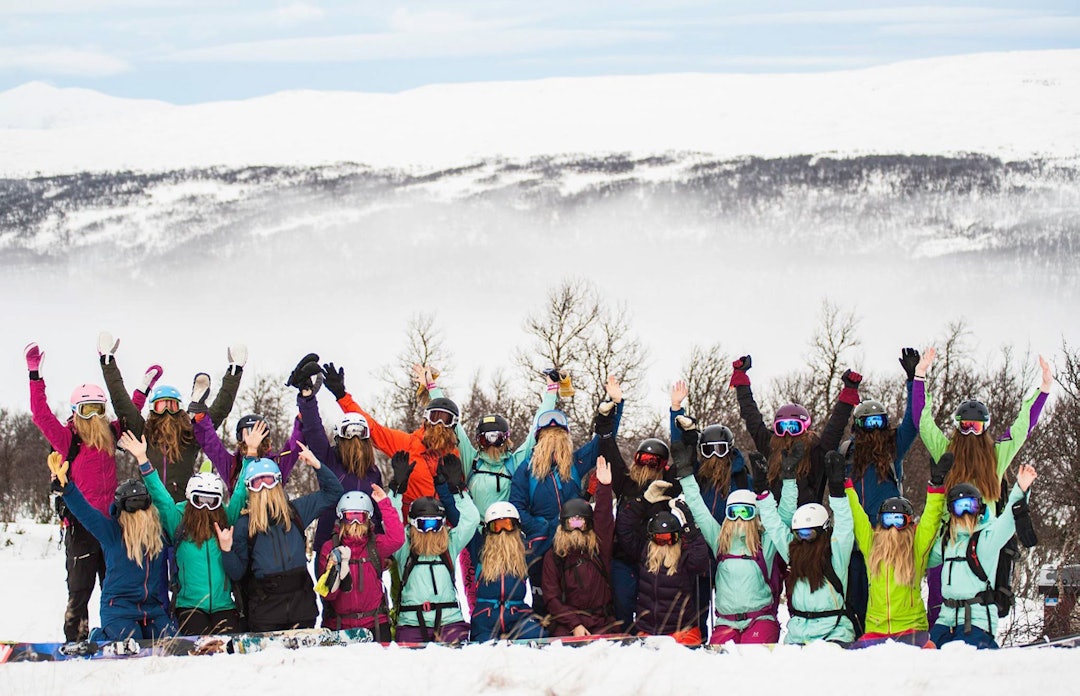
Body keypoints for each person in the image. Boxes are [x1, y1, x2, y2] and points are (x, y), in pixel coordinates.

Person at [913, 348, 1051, 622]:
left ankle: (982, 645)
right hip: (949, 539)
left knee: (980, 600)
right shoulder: (946, 451)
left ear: (985, 428)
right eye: (964, 426)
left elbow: (1023, 426)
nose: (970, 433)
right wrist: (919, 377)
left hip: (982, 542)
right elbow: (923, 422)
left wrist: (1044, 388)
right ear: (957, 426)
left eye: (976, 427)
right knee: (940, 602)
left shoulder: (995, 457)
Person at [26, 342, 121, 642]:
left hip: (109, 523)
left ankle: (114, 632)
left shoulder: (111, 435)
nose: (93, 417)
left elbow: (132, 412)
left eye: (99, 409)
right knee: (80, 588)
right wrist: (34, 377)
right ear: (76, 412)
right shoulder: (68, 440)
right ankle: (76, 639)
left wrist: (143, 390)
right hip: (81, 524)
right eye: (86, 409)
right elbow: (41, 415)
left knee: (114, 585)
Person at [510, 375, 624, 614]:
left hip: (576, 539)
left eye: (560, 434)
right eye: (548, 434)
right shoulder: (527, 470)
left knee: (576, 591)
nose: (554, 440)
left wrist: (615, 404)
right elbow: (517, 506)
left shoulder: (574, 463)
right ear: (539, 438)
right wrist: (541, 528)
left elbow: (602, 440)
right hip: (541, 546)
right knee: (545, 596)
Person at [123, 431, 248, 635]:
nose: (206, 508)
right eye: (200, 500)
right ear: (191, 498)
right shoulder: (179, 520)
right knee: (196, 645)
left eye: (212, 501)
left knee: (227, 648)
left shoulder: (226, 519)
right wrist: (142, 459)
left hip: (224, 604)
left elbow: (241, 493)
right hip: (190, 605)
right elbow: (161, 497)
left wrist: (250, 454)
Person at [98, 332, 245, 501]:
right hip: (150, 509)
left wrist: (235, 372)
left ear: (180, 409)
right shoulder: (143, 433)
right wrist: (107, 361)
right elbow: (121, 402)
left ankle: (197, 402)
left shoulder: (189, 435)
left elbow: (220, 409)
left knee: (204, 421)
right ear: (153, 410)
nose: (167, 412)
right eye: (162, 406)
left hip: (181, 510)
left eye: (172, 405)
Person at [47, 453, 176, 641]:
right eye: (132, 506)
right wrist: (67, 489)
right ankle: (98, 636)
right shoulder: (112, 532)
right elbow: (86, 513)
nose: (138, 512)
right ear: (121, 509)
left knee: (169, 642)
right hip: (119, 610)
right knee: (132, 643)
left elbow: (168, 505)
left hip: (152, 610)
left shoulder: (158, 535)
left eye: (141, 504)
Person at [217, 443, 344, 632]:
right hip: (265, 611)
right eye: (257, 482)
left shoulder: (296, 512)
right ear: (249, 488)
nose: (264, 488)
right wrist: (227, 550)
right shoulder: (245, 524)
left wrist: (317, 465)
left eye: (269, 480)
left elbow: (334, 493)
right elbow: (237, 572)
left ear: (278, 482)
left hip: (302, 608)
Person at [837, 350, 920, 634]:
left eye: (879, 422)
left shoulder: (892, 447)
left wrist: (914, 380)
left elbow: (914, 421)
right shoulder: (847, 453)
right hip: (856, 542)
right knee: (855, 602)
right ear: (858, 427)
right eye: (867, 423)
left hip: (888, 539)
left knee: (888, 597)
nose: (874, 429)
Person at [318, 358, 455, 515]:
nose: (439, 424)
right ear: (425, 419)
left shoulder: (454, 453)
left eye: (445, 420)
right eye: (434, 417)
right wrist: (342, 396)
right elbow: (373, 429)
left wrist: (432, 387)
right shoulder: (407, 444)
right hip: (411, 524)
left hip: (446, 526)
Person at [678, 443, 782, 645]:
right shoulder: (720, 541)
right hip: (726, 622)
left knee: (752, 658)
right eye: (734, 513)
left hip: (759, 619)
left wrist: (765, 491)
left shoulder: (764, 544)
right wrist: (685, 475)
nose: (740, 518)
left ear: (755, 515)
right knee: (720, 664)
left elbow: (781, 519)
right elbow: (699, 509)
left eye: (746, 512)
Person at [928, 465, 1038, 648]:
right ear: (951, 510)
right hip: (945, 620)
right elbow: (923, 557)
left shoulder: (986, 537)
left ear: (979, 508)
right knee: (929, 658)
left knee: (960, 658)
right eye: (959, 507)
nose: (965, 513)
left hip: (976, 620)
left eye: (970, 506)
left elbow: (1008, 521)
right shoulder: (947, 541)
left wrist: (1021, 488)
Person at [847, 453, 953, 642]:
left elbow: (930, 520)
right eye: (889, 520)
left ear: (909, 523)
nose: (894, 528)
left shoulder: (916, 548)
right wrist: (846, 486)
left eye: (899, 520)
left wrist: (936, 486)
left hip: (911, 628)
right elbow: (858, 517)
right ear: (881, 522)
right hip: (876, 629)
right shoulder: (872, 545)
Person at [730, 355, 858, 508]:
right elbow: (752, 419)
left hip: (809, 517)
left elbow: (835, 427)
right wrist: (741, 381)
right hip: (775, 518)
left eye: (794, 427)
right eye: (782, 428)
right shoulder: (770, 446)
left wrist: (849, 392)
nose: (787, 433)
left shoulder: (816, 450)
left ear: (804, 428)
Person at [758, 451, 856, 644]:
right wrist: (762, 493)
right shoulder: (794, 552)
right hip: (798, 632)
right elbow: (774, 525)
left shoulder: (836, 553)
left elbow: (845, 526)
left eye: (808, 533)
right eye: (798, 533)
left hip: (833, 630)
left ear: (822, 531)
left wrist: (837, 491)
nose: (803, 539)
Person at [387, 453, 481, 643]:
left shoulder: (449, 544)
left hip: (449, 621)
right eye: (424, 524)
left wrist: (458, 490)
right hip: (412, 622)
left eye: (436, 524)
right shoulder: (405, 545)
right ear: (413, 524)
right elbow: (391, 521)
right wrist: (397, 490)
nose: (430, 531)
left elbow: (471, 520)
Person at [615, 482, 710, 646]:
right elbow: (624, 527)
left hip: (681, 631)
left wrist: (688, 520)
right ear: (652, 538)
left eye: (670, 539)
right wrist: (643, 501)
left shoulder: (685, 556)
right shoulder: (645, 553)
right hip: (648, 630)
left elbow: (701, 559)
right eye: (660, 539)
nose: (665, 544)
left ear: (678, 538)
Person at [542, 456, 619, 637]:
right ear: (563, 525)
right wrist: (574, 624)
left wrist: (604, 488)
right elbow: (551, 598)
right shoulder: (554, 556)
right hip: (568, 623)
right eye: (571, 523)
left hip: (602, 621)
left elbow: (604, 518)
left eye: (581, 522)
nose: (576, 527)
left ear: (589, 524)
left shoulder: (598, 547)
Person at [316, 487, 404, 641]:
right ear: (341, 517)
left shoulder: (375, 544)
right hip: (339, 626)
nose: (355, 523)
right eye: (350, 516)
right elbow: (328, 594)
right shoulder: (330, 548)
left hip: (375, 623)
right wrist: (335, 572)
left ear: (368, 518)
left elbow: (397, 538)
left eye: (360, 517)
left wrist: (384, 503)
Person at [470, 502, 547, 641]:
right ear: (488, 530)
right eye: (496, 527)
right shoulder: (480, 551)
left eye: (508, 525)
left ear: (517, 527)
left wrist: (561, 516)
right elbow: (466, 521)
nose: (502, 532)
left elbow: (545, 532)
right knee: (483, 649)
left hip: (517, 615)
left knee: (537, 636)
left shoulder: (524, 552)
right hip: (486, 619)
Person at [192, 410, 302, 492]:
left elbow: (295, 446)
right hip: (241, 519)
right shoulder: (232, 466)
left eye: (258, 433)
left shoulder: (277, 464)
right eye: (247, 434)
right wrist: (200, 416)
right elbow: (212, 445)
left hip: (270, 519)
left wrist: (304, 413)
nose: (252, 439)